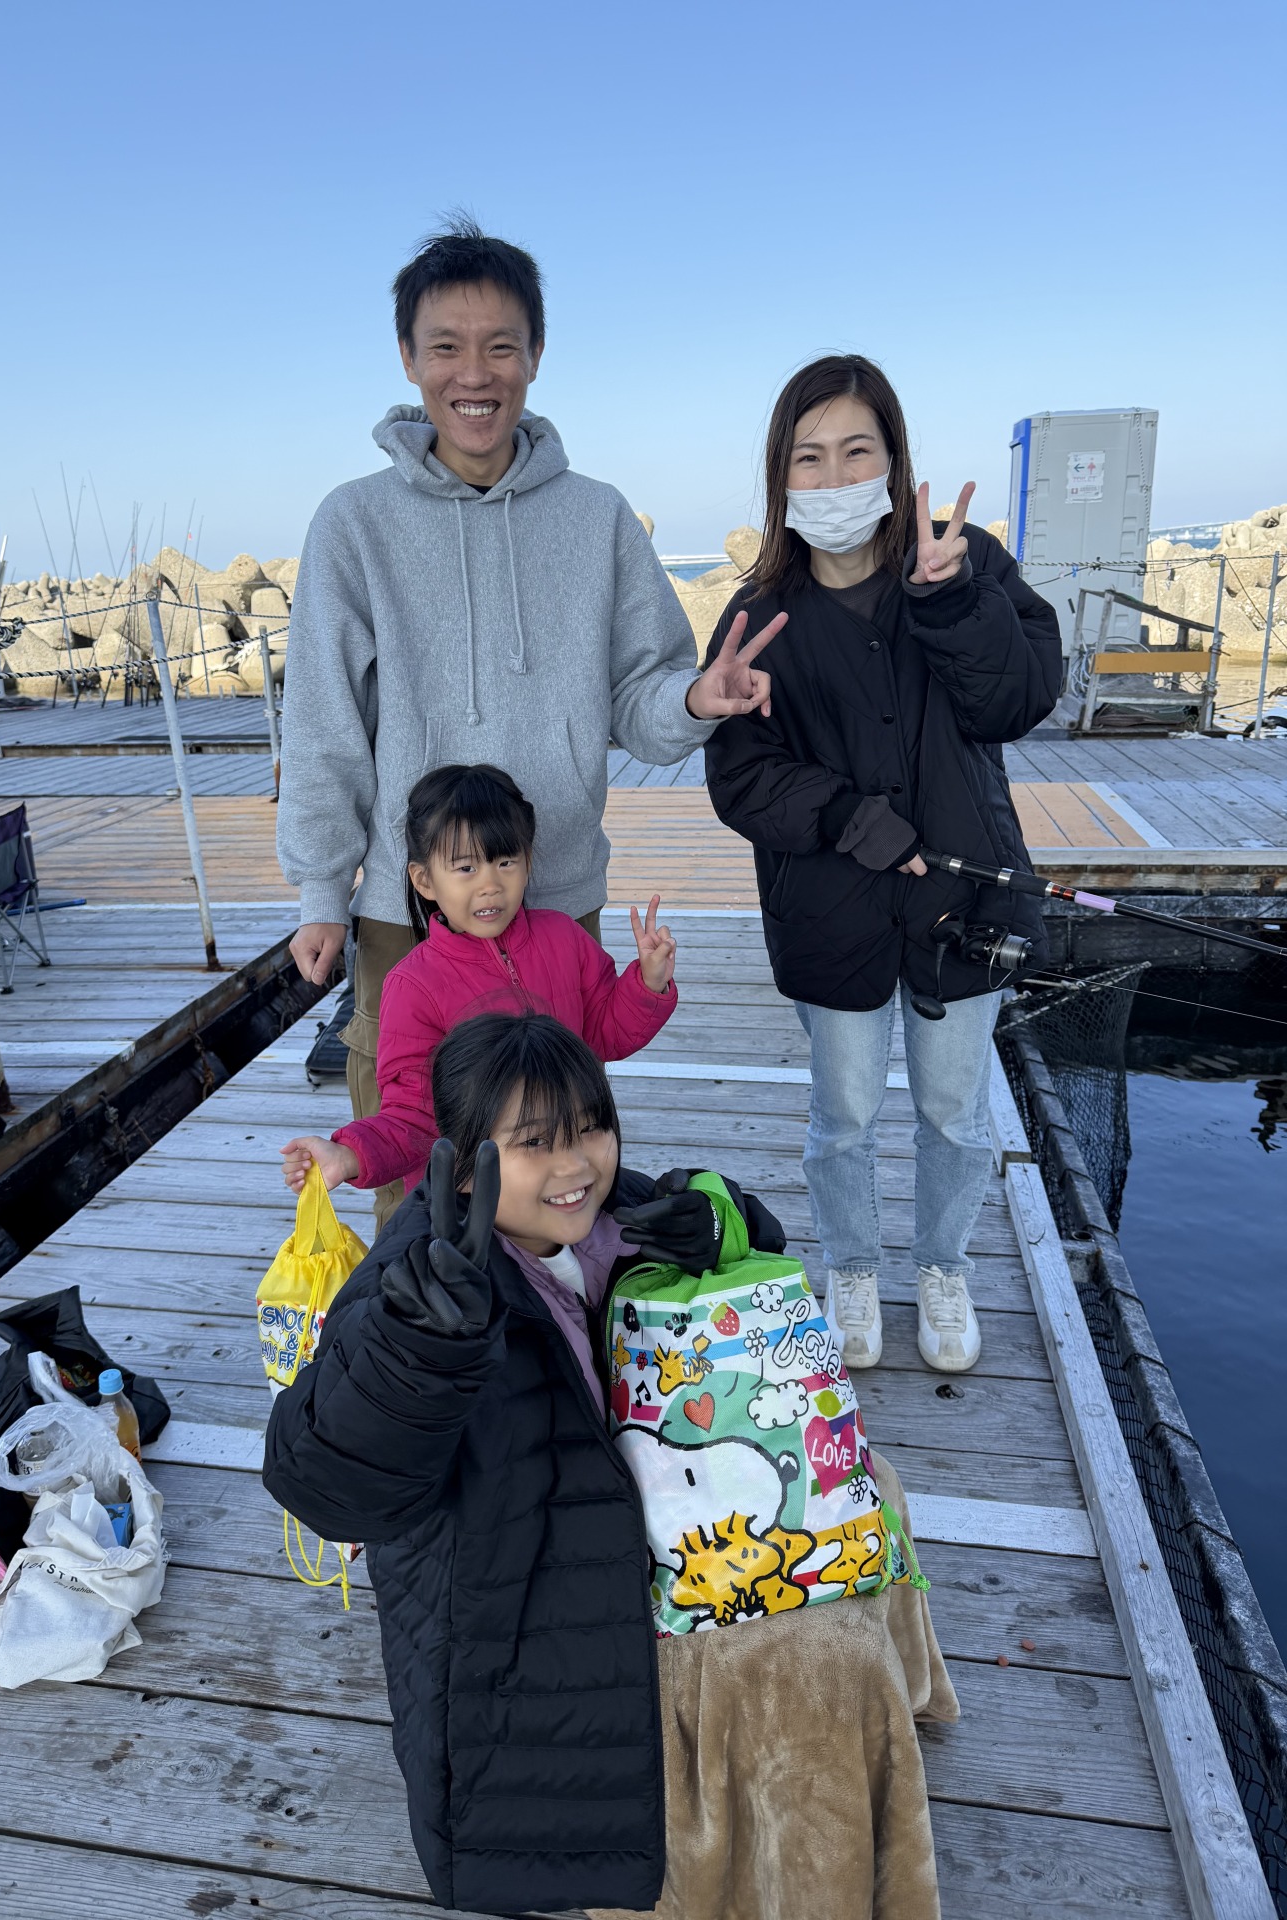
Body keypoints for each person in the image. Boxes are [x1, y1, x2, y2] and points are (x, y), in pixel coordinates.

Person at [264, 1011, 956, 1920]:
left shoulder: (613, 1213)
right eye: (534, 1143)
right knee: (815, 1658)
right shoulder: (420, 1285)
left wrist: (724, 1218)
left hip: (648, 1502)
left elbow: (740, 1243)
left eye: (590, 1127)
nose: (575, 1165)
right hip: (536, 1598)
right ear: (463, 1167)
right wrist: (421, 1352)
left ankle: (893, 1721)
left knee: (873, 1483)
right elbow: (323, 1484)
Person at [276, 219, 781, 1231]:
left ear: (537, 355)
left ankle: (554, 1310)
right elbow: (325, 721)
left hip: (558, 899)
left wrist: (693, 700)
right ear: (409, 358)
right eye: (446, 347)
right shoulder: (353, 522)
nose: (475, 374)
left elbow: (641, 695)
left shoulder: (597, 517)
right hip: (410, 907)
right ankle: (421, 1311)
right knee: (416, 1152)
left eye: (501, 346)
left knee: (552, 1156)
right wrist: (322, 891)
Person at [704, 355, 1061, 1376]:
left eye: (856, 450)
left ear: (896, 461)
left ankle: (944, 1267)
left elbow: (1018, 700)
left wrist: (951, 603)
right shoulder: (759, 612)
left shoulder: (966, 565)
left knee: (956, 1113)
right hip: (831, 910)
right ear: (780, 477)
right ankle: (852, 1268)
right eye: (808, 458)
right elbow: (740, 778)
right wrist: (853, 819)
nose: (833, 476)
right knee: (844, 1114)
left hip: (964, 899)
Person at [279, 762, 678, 1206]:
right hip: (473, 1204)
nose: (491, 885)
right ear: (424, 880)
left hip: (565, 1178)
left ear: (528, 862)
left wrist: (647, 984)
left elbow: (604, 1034)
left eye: (506, 862)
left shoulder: (564, 938)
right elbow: (412, 1116)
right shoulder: (414, 985)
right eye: (466, 867)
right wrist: (349, 1154)